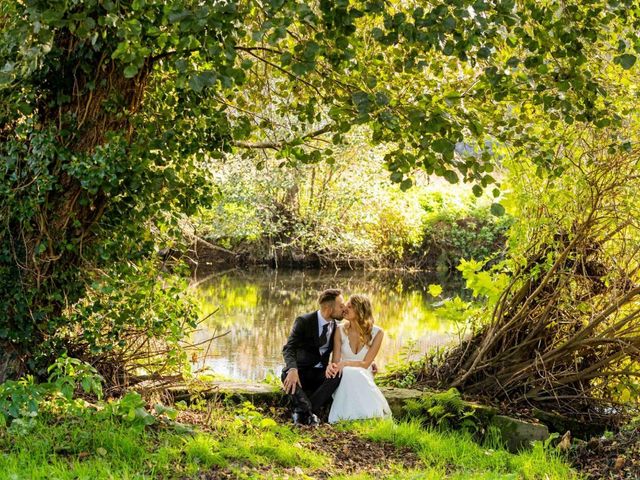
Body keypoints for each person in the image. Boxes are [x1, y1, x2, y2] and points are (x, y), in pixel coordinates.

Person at [281, 288, 346, 425]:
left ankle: (302, 411)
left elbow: (352, 345)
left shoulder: (337, 327)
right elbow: (289, 348)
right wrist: (293, 369)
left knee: (337, 375)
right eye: (341, 306)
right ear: (328, 308)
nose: (344, 308)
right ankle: (311, 414)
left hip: (320, 374)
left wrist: (370, 363)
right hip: (301, 372)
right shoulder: (304, 321)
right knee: (286, 374)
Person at [326, 294, 391, 423]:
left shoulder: (377, 333)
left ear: (360, 310)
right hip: (343, 374)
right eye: (345, 306)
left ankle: (362, 415)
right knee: (348, 372)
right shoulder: (339, 330)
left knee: (353, 372)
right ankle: (358, 415)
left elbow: (366, 364)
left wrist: (345, 363)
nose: (345, 309)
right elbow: (336, 362)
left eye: (350, 307)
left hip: (363, 372)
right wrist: (331, 366)